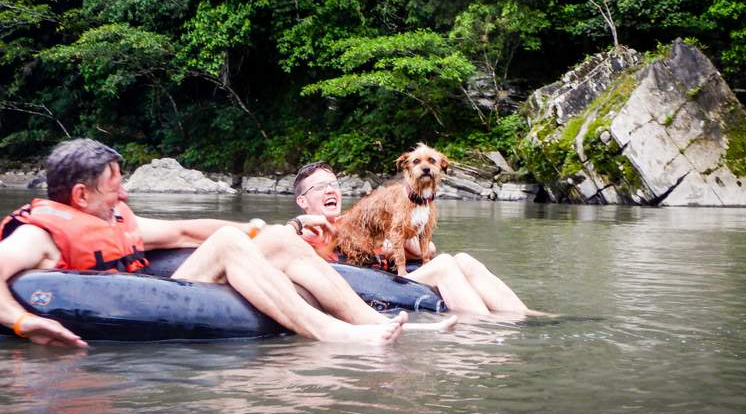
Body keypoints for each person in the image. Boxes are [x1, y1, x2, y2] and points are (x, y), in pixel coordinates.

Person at [0, 139, 451, 347]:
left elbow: (182, 231)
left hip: (167, 289)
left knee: (269, 238)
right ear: (81, 195)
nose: (124, 195)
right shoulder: (39, 237)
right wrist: (23, 322)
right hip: (131, 304)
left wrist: (260, 230)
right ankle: (328, 333)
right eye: (114, 187)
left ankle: (369, 322)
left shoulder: (113, 218)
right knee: (229, 243)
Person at [292, 162, 535, 315]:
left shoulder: (360, 219)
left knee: (463, 260)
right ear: (302, 201)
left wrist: (393, 234)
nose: (330, 190)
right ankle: (484, 328)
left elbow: (426, 248)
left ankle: (525, 315)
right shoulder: (303, 234)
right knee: (443, 266)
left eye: (333, 184)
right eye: (319, 187)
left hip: (393, 277)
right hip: (369, 287)